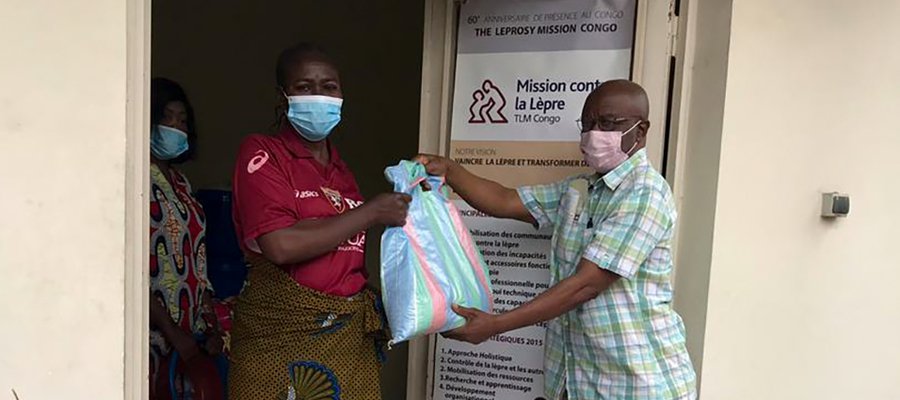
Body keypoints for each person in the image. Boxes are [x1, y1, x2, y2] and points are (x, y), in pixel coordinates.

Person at [416, 80, 697, 400]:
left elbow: (587, 284)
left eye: (608, 123)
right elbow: (505, 201)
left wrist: (494, 325)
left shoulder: (645, 194)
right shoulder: (580, 190)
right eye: (588, 124)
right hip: (580, 381)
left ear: (641, 130)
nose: (594, 133)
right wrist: (449, 170)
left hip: (637, 383)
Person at [228, 42, 410, 400]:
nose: (319, 96)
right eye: (304, 87)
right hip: (278, 338)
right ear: (283, 96)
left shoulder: (342, 173)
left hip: (344, 340)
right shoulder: (264, 154)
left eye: (329, 87)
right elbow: (280, 244)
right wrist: (371, 212)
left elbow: (342, 256)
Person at [148, 77, 225, 399]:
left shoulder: (182, 184)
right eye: (167, 118)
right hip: (152, 338)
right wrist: (171, 332)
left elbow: (198, 258)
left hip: (190, 338)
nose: (175, 127)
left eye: (182, 121)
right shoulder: (135, 177)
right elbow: (129, 268)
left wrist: (210, 327)